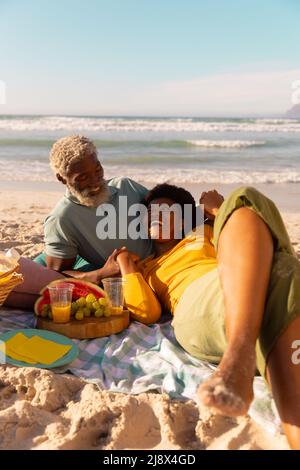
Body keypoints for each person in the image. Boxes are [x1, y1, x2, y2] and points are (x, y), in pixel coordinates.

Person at [115, 183, 300, 449]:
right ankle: (241, 352)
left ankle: (242, 356)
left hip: (248, 280)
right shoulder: (146, 268)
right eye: (151, 213)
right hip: (199, 303)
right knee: (285, 273)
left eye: (167, 212)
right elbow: (147, 312)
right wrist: (125, 266)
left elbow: (253, 237)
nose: (156, 216)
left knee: (246, 199)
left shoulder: (204, 234)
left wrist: (217, 208)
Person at [35, 135, 153, 282]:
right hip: (135, 282)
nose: (95, 182)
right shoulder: (62, 218)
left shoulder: (126, 186)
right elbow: (56, 275)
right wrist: (102, 273)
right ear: (62, 179)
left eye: (98, 170)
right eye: (83, 178)